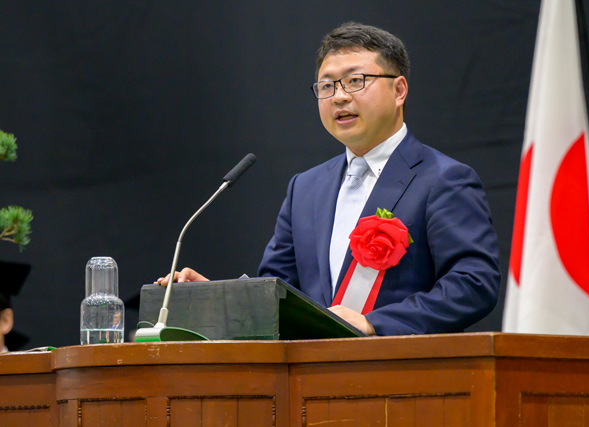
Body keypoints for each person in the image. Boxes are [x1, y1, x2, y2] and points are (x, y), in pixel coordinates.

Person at [157, 22, 501, 336]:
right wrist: (220, 297)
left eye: (355, 81)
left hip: (403, 382)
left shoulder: (443, 179)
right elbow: (278, 292)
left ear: (399, 90)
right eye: (326, 85)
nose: (339, 96)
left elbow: (474, 284)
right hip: (312, 389)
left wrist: (374, 323)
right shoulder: (306, 188)